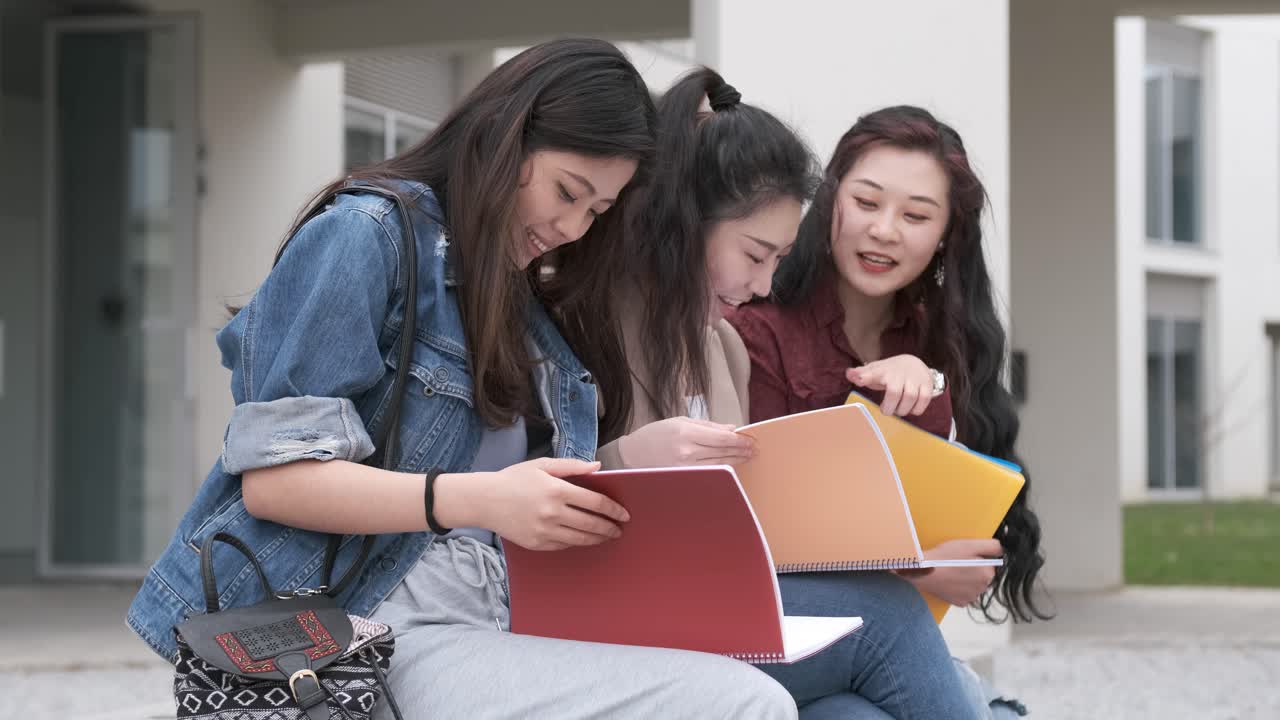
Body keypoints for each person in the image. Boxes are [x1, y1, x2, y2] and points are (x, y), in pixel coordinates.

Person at [127, 39, 798, 720]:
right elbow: (279, 481)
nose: (570, 227)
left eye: (596, 211)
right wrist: (479, 500)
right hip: (370, 629)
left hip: (498, 613)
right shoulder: (368, 234)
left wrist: (626, 458)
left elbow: (515, 494)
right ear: (507, 133)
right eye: (567, 191)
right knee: (745, 704)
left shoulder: (519, 298)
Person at [602, 71, 984, 719]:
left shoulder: (719, 346)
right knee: (886, 622)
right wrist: (628, 459)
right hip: (640, 623)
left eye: (917, 216)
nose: (762, 283)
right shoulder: (608, 325)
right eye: (755, 255)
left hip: (724, 609)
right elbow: (534, 485)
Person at [731, 105, 1052, 717]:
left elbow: (943, 503)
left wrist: (958, 555)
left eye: (915, 216)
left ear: (944, 237)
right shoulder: (756, 328)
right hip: (773, 625)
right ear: (829, 203)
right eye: (868, 202)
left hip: (856, 662)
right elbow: (755, 525)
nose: (884, 230)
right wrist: (914, 573)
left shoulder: (945, 342)